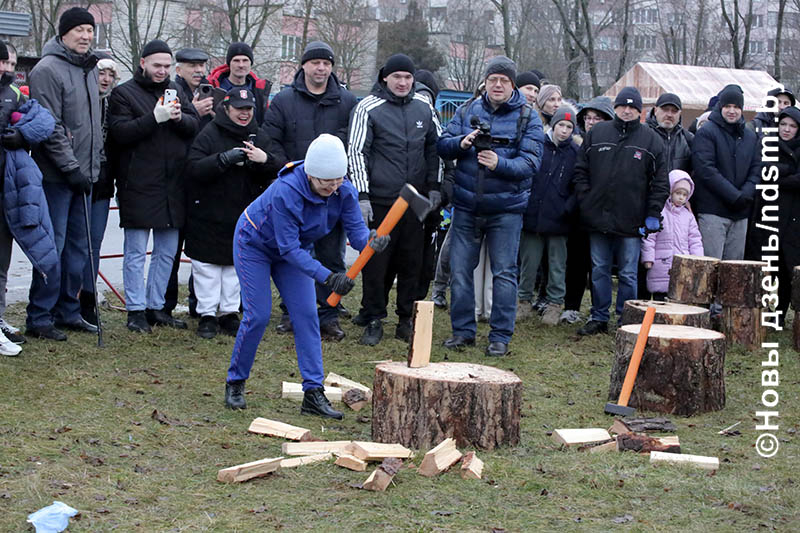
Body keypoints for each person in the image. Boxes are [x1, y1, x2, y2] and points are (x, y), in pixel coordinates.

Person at [224, 134, 389, 416]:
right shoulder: (286, 191)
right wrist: (328, 276)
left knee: (307, 316)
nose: (333, 186)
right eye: (326, 181)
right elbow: (287, 248)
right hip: (255, 244)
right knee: (258, 314)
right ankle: (235, 381)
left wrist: (370, 242)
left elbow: (356, 232)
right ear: (311, 174)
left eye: (338, 180)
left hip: (294, 249)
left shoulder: (343, 190)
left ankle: (313, 393)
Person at [437, 55, 544, 356]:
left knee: (504, 273)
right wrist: (461, 142)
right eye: (493, 79)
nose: (497, 85)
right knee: (459, 271)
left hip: (506, 210)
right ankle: (462, 333)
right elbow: (442, 145)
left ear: (512, 85)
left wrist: (501, 163)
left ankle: (500, 337)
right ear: (485, 82)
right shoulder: (466, 109)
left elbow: (532, 162)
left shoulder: (528, 116)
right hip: (467, 206)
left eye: (504, 80)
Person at [263, 40, 357, 341]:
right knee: (296, 254)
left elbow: (352, 141)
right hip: (297, 192)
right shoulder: (285, 100)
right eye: (315, 62)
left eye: (327, 63)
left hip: (330, 193)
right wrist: (293, 169)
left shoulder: (346, 101)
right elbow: (270, 138)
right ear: (303, 65)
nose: (321, 68)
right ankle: (293, 312)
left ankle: (328, 315)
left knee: (331, 255)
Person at [347, 53, 441, 346]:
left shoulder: (424, 107)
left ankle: (405, 319)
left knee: (412, 261)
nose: (402, 82)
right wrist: (362, 196)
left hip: (414, 201)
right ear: (385, 77)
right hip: (381, 200)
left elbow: (436, 147)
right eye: (397, 76)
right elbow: (356, 152)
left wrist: (435, 186)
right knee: (377, 263)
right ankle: (374, 318)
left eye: (407, 77)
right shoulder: (367, 108)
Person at [108, 40, 199, 333]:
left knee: (167, 251)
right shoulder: (123, 93)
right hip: (137, 182)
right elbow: (120, 133)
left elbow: (194, 125)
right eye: (157, 65)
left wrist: (177, 118)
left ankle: (156, 307)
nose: (162, 71)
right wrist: (154, 118)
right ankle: (135, 309)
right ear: (143, 63)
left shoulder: (175, 92)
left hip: (173, 183)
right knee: (135, 251)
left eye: (166, 66)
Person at [27, 7, 103, 340]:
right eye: (79, 30)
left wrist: (94, 163)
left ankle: (68, 310)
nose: (86, 36)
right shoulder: (47, 69)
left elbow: (93, 125)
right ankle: (40, 314)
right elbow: (51, 126)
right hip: (57, 176)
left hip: (84, 174)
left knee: (77, 248)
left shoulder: (89, 68)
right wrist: (70, 168)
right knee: (52, 247)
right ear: (63, 33)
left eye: (90, 30)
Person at [573, 86, 669, 335]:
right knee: (599, 269)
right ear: (615, 108)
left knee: (628, 273)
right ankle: (598, 317)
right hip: (597, 217)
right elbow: (580, 170)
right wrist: (586, 200)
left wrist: (652, 213)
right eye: (623, 106)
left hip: (632, 220)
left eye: (632, 107)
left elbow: (660, 183)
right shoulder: (598, 133)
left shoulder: (652, 140)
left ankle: (626, 319)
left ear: (641, 111)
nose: (627, 111)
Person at [185, 88, 273, 339]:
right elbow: (193, 168)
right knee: (207, 268)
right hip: (209, 212)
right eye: (239, 109)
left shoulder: (259, 135)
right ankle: (207, 314)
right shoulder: (209, 133)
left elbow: (278, 167)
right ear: (227, 108)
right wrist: (222, 160)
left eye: (248, 109)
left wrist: (263, 158)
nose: (244, 114)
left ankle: (229, 313)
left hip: (243, 211)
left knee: (236, 267)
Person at [163, 47, 214, 320]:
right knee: (170, 248)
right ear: (178, 68)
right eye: (192, 65)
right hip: (175, 181)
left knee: (200, 248)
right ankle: (164, 304)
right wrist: (193, 111)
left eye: (202, 65)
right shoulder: (171, 90)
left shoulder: (209, 91)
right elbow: (168, 126)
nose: (198, 70)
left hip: (201, 180)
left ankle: (199, 303)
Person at [518, 105, 579, 325]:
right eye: (561, 125)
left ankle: (554, 304)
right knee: (529, 262)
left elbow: (577, 185)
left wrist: (568, 208)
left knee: (556, 264)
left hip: (560, 219)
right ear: (553, 126)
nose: (564, 130)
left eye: (569, 127)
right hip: (533, 216)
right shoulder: (538, 146)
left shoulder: (574, 153)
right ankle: (523, 300)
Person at [561, 96, 614, 324]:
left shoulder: (613, 142)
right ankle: (571, 306)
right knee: (576, 261)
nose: (592, 122)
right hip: (579, 209)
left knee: (600, 264)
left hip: (606, 211)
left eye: (598, 118)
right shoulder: (575, 143)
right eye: (588, 118)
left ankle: (598, 310)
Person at [691, 84, 759, 261]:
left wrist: (745, 193)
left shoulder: (750, 136)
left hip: (741, 212)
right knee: (710, 265)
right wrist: (733, 195)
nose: (732, 111)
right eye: (728, 106)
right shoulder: (707, 132)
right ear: (720, 106)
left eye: (736, 107)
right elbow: (705, 169)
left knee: (735, 270)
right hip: (713, 211)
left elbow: (757, 168)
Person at [79, 57, 118, 326]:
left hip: (103, 180)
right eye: (100, 73)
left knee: (94, 243)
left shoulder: (113, 105)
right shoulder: (80, 102)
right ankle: (67, 297)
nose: (105, 79)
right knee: (74, 242)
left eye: (110, 75)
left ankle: (88, 299)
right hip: (78, 176)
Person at [0, 39, 28, 349]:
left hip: (5, 188)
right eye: (3, 63)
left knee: (2, 260)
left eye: (11, 64)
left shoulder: (14, 94)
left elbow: (38, 121)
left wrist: (22, 135)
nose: (7, 69)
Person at [640, 170, 704, 300]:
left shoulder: (688, 216)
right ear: (670, 191)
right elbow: (650, 238)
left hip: (683, 266)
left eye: (685, 195)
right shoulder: (660, 213)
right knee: (660, 299)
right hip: (660, 265)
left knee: (680, 298)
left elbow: (695, 240)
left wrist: (698, 261)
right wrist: (648, 258)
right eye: (678, 193)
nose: (681, 197)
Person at [208, 42, 271, 126]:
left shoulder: (259, 91)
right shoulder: (213, 88)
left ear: (250, 63)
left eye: (245, 60)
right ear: (229, 63)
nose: (241, 65)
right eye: (236, 61)